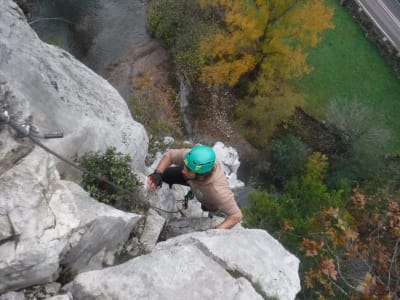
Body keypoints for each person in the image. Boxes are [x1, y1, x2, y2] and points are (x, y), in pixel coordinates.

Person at [148, 145, 243, 229]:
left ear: (201, 174)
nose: (183, 170)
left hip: (209, 198)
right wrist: (158, 173)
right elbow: (171, 155)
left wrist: (216, 231)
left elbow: (236, 215)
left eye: (188, 169)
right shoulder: (193, 159)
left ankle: (209, 212)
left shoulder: (218, 192)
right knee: (166, 174)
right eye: (185, 166)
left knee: (206, 208)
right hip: (192, 180)